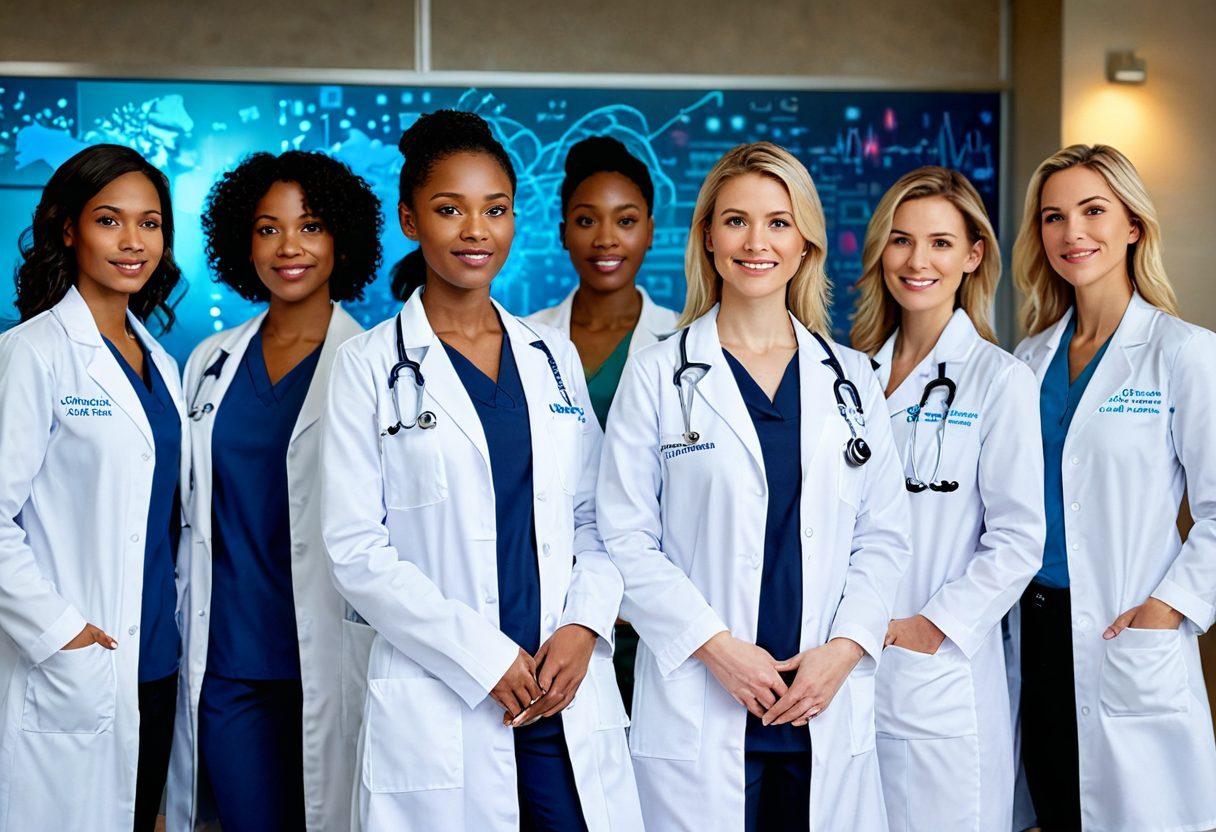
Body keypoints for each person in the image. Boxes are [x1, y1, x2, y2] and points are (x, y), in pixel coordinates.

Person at [321, 109, 643, 831]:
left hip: (562, 695)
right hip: (448, 695)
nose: (475, 231)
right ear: (409, 218)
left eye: (494, 210)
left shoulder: (550, 357)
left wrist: (585, 627)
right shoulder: (368, 367)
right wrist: (481, 657)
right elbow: (355, 551)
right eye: (449, 210)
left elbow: (597, 517)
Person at [597, 141, 911, 831]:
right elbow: (622, 536)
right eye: (735, 220)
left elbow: (884, 536)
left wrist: (847, 649)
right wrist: (715, 645)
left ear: (806, 243)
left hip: (820, 699)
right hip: (703, 696)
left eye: (778, 221)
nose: (756, 241)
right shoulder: (657, 373)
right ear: (708, 238)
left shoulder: (853, 378)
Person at [166, 151, 381, 832]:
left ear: (340, 238)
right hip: (229, 662)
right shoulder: (210, 361)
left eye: (310, 226)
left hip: (336, 653)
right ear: (242, 242)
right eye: (267, 229)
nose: (288, 247)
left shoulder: (375, 362)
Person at [1011, 144, 1216, 831]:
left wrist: (1167, 608)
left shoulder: (1182, 352)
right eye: (1054, 217)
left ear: (1133, 224)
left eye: (1094, 211)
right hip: (1028, 631)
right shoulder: (1027, 360)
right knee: (1048, 812)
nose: (1073, 233)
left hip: (1121, 630)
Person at [850, 166, 1045, 831]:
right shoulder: (850, 373)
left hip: (937, 673)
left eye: (939, 242)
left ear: (972, 254)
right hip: (845, 667)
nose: (917, 261)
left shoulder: (1000, 380)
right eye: (901, 240)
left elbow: (1018, 540)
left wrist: (930, 627)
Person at [0, 144, 188, 831]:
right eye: (110, 221)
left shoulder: (161, 362)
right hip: (79, 661)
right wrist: (61, 633)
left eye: (151, 223)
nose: (133, 242)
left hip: (157, 665)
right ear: (68, 228)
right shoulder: (32, 354)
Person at [526, 135, 678, 715]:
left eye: (626, 220)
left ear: (651, 229)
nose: (606, 239)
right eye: (587, 220)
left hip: (654, 601)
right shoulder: (524, 341)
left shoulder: (686, 343)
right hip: (555, 602)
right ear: (563, 229)